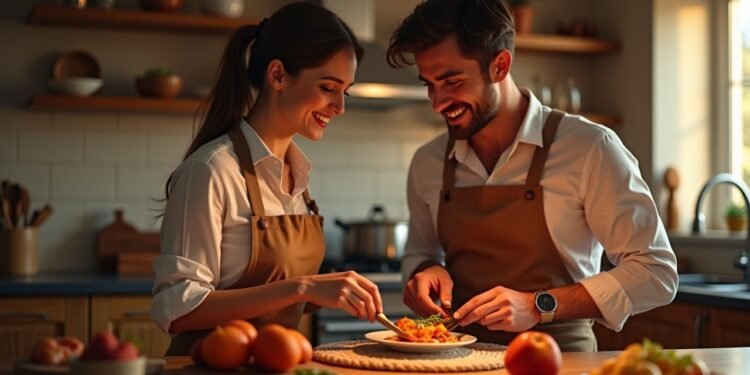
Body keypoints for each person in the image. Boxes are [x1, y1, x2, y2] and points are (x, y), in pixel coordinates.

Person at [387, 0, 677, 351]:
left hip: (560, 362)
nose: (437, 102)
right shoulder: (428, 162)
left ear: (500, 65)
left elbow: (656, 272)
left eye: (452, 81)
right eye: (429, 85)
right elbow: (420, 251)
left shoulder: (588, 148)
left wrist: (539, 306)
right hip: (456, 360)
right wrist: (425, 271)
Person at [151, 2, 383, 355]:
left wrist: (327, 292)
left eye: (345, 91)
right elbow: (178, 308)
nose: (340, 107)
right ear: (278, 76)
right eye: (328, 87)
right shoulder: (211, 171)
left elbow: (277, 297)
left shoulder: (299, 176)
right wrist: (303, 287)